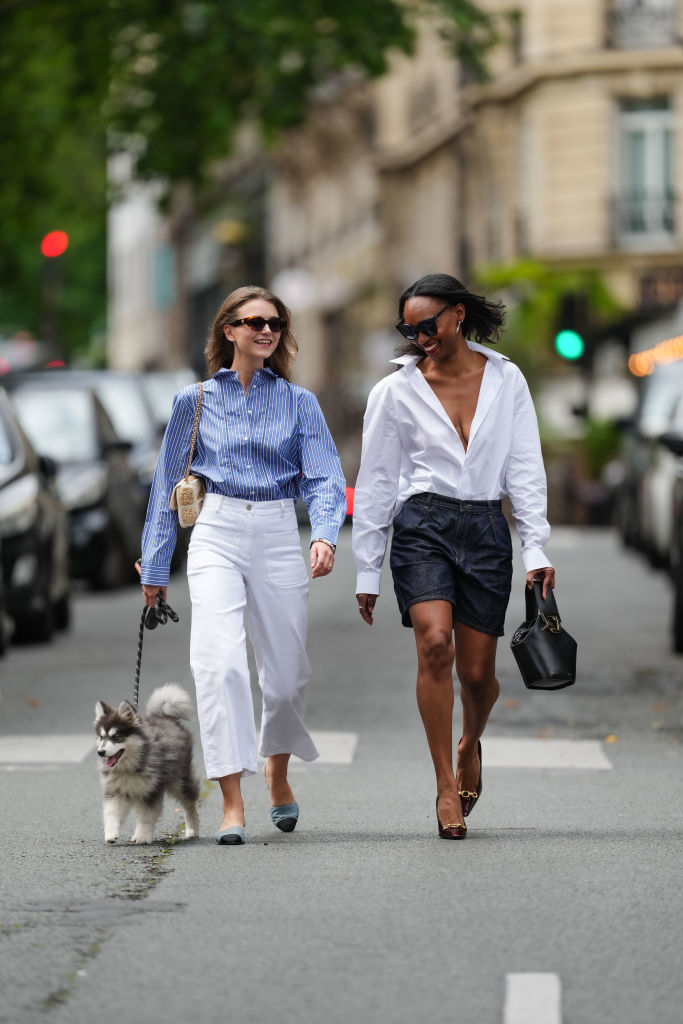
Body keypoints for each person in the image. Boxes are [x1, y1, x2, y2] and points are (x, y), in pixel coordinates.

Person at [139, 286, 346, 846]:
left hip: (280, 530)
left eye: (275, 322)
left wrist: (325, 533)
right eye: (253, 321)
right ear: (227, 330)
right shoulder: (195, 401)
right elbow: (166, 488)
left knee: (285, 677)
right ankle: (232, 801)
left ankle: (276, 769)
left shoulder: (300, 402)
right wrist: (156, 568)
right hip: (218, 530)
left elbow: (325, 475)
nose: (266, 330)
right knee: (219, 663)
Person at [352, 273, 554, 840]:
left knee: (478, 674)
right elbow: (375, 483)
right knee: (434, 644)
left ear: (458, 315)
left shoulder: (507, 379)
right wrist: (368, 568)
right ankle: (445, 784)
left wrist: (534, 545)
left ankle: (470, 744)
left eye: (428, 325)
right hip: (422, 525)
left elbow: (525, 467)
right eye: (408, 329)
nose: (420, 338)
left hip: (487, 525)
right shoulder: (394, 392)